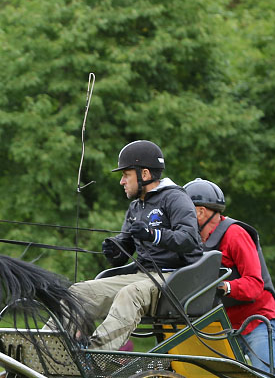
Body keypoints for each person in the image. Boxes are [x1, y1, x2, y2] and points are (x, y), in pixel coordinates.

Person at [68, 140, 202, 350]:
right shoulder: (135, 207)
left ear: (145, 174)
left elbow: (189, 239)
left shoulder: (176, 198)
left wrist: (153, 234)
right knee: (79, 291)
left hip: (175, 278)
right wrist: (114, 250)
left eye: (126, 175)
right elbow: (125, 250)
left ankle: (95, 354)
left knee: (130, 293)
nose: (122, 181)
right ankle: (51, 347)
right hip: (143, 276)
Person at [185, 177, 275, 378]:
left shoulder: (235, 234)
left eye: (185, 211)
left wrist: (224, 286)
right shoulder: (194, 241)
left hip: (256, 320)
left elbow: (254, 284)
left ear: (201, 212)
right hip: (223, 326)